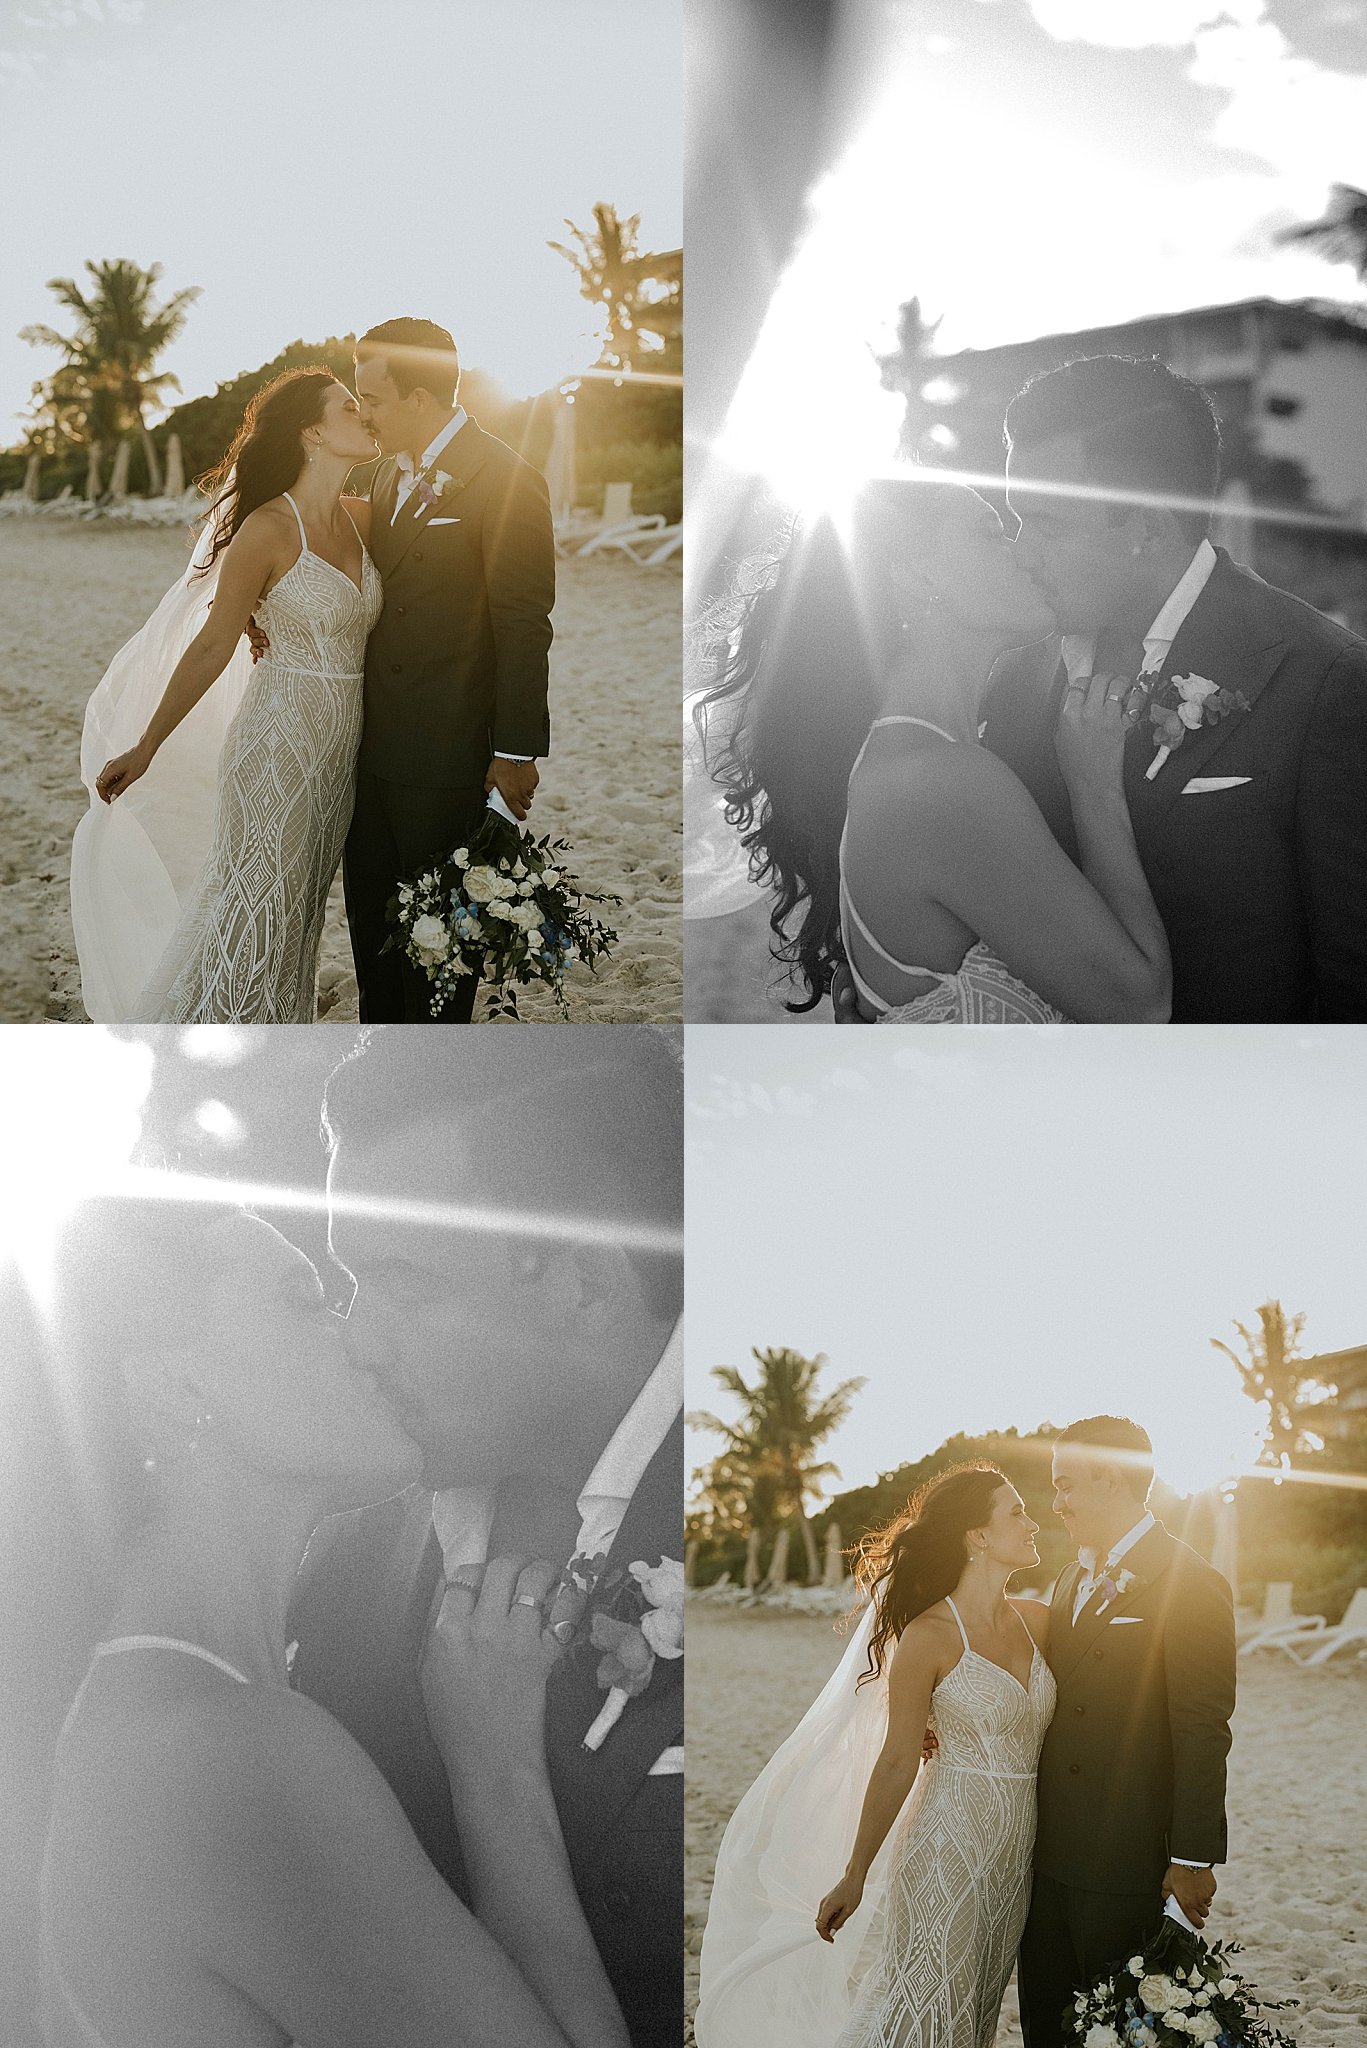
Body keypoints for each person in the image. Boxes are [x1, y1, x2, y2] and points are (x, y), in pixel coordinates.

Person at [38, 1194, 635, 2048]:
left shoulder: (181, 1703)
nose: (360, 1340)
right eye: (304, 1300)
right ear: (177, 1384)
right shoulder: (226, 1748)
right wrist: (494, 1766)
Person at [290, 1027, 684, 2047]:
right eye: (348, 1283)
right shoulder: (335, 1564)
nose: (359, 1340)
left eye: (408, 1281)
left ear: (585, 1284)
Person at [691, 477, 1171, 1022]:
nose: (1022, 551)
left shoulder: (918, 761)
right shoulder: (937, 781)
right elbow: (1140, 1005)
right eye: (990, 532)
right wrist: (1095, 785)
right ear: (919, 579)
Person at [987, 352, 1367, 1022]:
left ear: (1145, 528)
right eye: (1015, 519)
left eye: (1045, 524)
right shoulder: (1014, 669)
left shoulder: (1323, 680)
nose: (1019, 553)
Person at [695, 1464, 1055, 2048]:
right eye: (1016, 1511)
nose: (1033, 1523)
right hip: (946, 1842)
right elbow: (896, 1760)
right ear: (977, 1536)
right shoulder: (930, 1636)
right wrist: (855, 1874)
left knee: (976, 2010)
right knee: (926, 2002)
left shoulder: (1042, 1623)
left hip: (1019, 1851)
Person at [72, 368, 384, 1023]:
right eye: (349, 407)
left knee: (298, 915)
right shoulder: (268, 529)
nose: (366, 417)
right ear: (313, 432)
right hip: (273, 745)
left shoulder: (365, 517)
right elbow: (213, 644)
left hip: (339, 756)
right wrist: (146, 744)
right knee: (253, 904)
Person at [343, 317, 556, 1023]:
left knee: (436, 958)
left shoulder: (507, 478)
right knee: (374, 944)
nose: (361, 412)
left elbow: (522, 622)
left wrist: (515, 750)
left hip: (448, 755)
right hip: (366, 753)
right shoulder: (373, 475)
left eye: (371, 397)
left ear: (419, 398)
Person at [1018, 1416, 1237, 2048]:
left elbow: (1203, 1728)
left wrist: (1193, 1857)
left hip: (1127, 1857)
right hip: (1050, 1853)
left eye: (1066, 1486)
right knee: (1048, 2026)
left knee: (1117, 2030)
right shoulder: (1068, 1577)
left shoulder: (1192, 1582)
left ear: (1111, 1480)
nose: (1056, 1504)